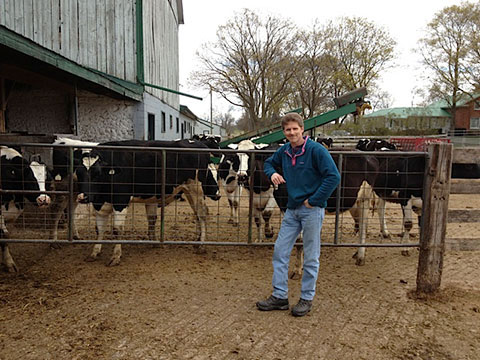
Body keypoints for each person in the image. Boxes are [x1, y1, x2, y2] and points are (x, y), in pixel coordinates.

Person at [256, 113, 340, 317]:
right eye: (287, 130)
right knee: (280, 250)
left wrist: (315, 200)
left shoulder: (316, 150)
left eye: (295, 128)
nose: (291, 133)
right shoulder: (284, 151)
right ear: (283, 133)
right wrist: (272, 174)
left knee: (311, 255)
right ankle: (280, 295)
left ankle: (306, 298)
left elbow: (333, 176)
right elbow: (268, 163)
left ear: (302, 129)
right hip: (292, 210)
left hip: (311, 210)